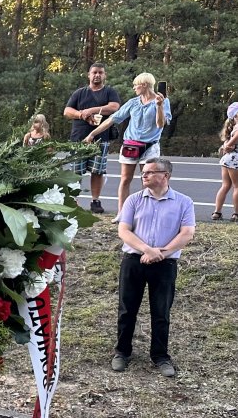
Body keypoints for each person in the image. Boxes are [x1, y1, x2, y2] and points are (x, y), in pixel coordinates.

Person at [111, 158, 194, 378]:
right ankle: (122, 352)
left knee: (161, 312)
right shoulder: (133, 200)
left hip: (165, 264)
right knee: (127, 309)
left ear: (165, 175)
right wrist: (147, 249)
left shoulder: (184, 202)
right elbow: (124, 231)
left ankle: (160, 356)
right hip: (133, 261)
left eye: (149, 172)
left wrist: (161, 253)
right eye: (143, 172)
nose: (144, 176)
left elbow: (187, 233)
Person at [85, 72, 170, 222]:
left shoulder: (162, 102)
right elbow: (113, 119)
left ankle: (145, 214)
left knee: (148, 180)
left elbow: (160, 124)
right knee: (125, 179)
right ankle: (122, 214)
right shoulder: (133, 102)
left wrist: (159, 106)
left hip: (150, 146)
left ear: (144, 85)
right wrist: (93, 134)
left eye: (136, 85)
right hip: (130, 145)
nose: (134, 88)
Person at [62, 62, 121, 214]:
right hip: (78, 138)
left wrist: (91, 110)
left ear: (104, 75)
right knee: (76, 172)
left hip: (101, 138)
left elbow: (114, 107)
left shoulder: (109, 92)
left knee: (98, 171)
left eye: (100, 72)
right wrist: (81, 114)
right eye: (94, 72)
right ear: (89, 75)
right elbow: (67, 111)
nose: (97, 75)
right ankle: (73, 201)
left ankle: (95, 201)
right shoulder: (79, 93)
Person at [211, 102, 238, 221]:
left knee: (225, 185)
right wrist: (229, 145)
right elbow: (236, 137)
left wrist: (226, 145)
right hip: (235, 159)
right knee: (237, 187)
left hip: (227, 159)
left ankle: (217, 212)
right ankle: (236, 214)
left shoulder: (233, 127)